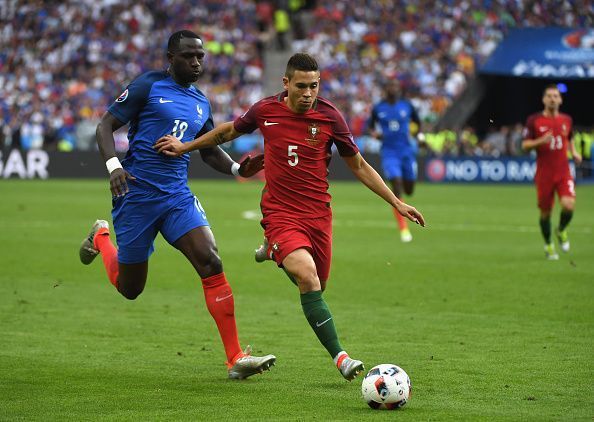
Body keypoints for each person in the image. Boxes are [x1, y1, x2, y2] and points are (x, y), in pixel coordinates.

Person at [154, 53, 425, 381]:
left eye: (314, 86)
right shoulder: (265, 110)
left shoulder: (330, 117)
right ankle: (340, 357)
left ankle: (272, 251)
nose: (308, 93)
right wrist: (185, 147)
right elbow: (226, 133)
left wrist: (396, 202)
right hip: (280, 212)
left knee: (316, 286)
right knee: (308, 277)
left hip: (318, 215)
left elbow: (359, 165)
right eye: (301, 86)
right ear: (286, 83)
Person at [78, 30, 276, 379]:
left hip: (176, 196)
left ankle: (235, 358)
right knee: (130, 288)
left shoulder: (201, 101)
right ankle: (101, 239)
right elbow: (105, 125)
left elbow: (208, 149)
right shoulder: (148, 85)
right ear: (170, 59)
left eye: (200, 56)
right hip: (135, 194)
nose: (196, 62)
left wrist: (234, 168)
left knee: (210, 260)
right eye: (188, 56)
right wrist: (114, 166)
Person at [521, 84, 582, 260]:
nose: (552, 99)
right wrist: (541, 140)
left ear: (560, 100)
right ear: (543, 99)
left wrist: (575, 151)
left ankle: (561, 230)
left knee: (569, 205)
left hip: (563, 171)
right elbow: (525, 145)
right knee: (545, 213)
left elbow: (569, 137)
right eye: (549, 96)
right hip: (544, 173)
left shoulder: (566, 120)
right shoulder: (534, 120)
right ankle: (548, 244)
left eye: (555, 96)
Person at [366, 79, 424, 243]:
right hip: (389, 152)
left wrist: (419, 136)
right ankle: (404, 229)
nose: (393, 88)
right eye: (390, 85)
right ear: (386, 89)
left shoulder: (407, 105)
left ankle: (410, 176)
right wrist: (374, 134)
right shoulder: (378, 108)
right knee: (396, 185)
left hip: (406, 151)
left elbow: (418, 123)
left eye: (396, 86)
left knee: (409, 189)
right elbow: (370, 126)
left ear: (399, 88)